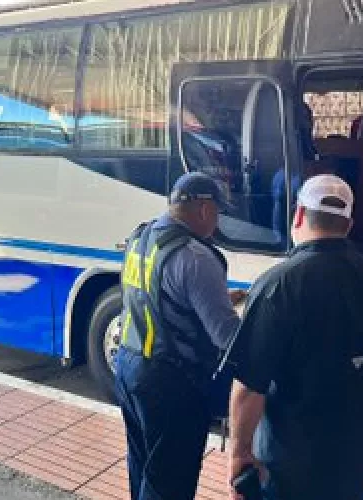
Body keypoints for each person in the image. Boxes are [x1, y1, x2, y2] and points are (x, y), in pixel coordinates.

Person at [225, 174, 363, 500]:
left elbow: (248, 388)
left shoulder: (276, 285)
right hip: (362, 462)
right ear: (349, 224)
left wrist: (239, 454)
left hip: (293, 467)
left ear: (298, 215)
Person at [113, 171, 246, 500]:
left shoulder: (142, 237)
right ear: (204, 209)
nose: (217, 223)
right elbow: (226, 336)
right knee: (170, 481)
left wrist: (217, 300)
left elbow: (155, 296)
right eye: (218, 212)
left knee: (144, 466)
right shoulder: (197, 257)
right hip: (170, 383)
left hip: (129, 366)